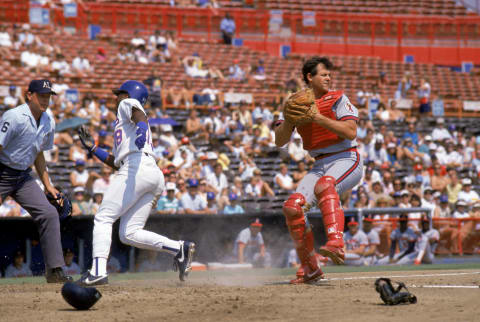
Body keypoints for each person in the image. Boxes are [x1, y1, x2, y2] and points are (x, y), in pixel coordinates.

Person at [76, 80, 195, 286]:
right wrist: (94, 149)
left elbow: (140, 117)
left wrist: (141, 127)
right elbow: (117, 162)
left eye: (119, 93)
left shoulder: (127, 105)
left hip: (137, 168)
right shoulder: (124, 124)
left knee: (103, 218)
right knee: (129, 233)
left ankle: (97, 271)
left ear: (129, 94)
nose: (116, 97)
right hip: (150, 173)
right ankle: (178, 248)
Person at [274, 56, 363, 283]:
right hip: (320, 163)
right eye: (323, 74)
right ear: (309, 77)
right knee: (292, 208)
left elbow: (350, 132)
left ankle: (336, 243)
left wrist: (317, 117)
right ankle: (311, 268)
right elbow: (279, 141)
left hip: (346, 157)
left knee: (325, 185)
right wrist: (287, 121)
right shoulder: (296, 102)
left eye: (329, 74)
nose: (328, 78)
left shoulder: (338, 98)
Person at [0, 79, 71, 283]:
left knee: (49, 213)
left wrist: (48, 185)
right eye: (41, 95)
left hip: (22, 176)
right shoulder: (13, 116)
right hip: (2, 171)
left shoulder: (49, 120)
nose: (45, 100)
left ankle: (55, 270)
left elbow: (39, 154)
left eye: (48, 96)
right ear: (29, 95)